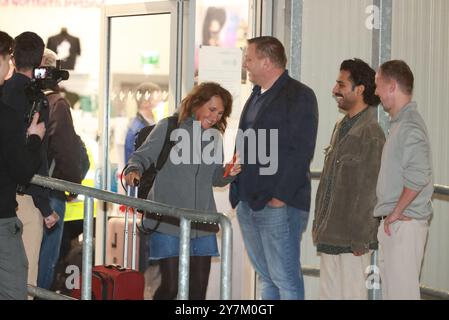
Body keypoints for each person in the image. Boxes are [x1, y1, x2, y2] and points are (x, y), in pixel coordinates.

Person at [124, 82, 240, 300]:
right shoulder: (169, 127)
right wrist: (133, 170)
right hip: (168, 221)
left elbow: (215, 177)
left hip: (202, 223)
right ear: (197, 103)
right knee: (170, 288)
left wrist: (229, 171)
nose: (215, 117)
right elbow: (141, 157)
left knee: (198, 291)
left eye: (220, 113)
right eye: (211, 109)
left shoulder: (215, 137)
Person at [230, 36, 319, 300]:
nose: (245, 63)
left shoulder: (299, 96)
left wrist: (279, 198)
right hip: (248, 202)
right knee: (266, 278)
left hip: (279, 205)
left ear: (267, 62)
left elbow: (300, 151)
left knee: (285, 280)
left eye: (249, 58)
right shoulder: (255, 95)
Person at [312, 58, 385, 299]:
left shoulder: (371, 132)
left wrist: (360, 239)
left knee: (352, 295)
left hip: (352, 242)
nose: (335, 91)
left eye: (341, 85)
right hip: (331, 235)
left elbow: (369, 191)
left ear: (360, 89)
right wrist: (319, 226)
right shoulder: (342, 126)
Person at [1, 31, 59, 292]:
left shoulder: (5, 93)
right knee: (24, 282)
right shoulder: (36, 100)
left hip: (9, 195)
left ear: (13, 59)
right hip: (19, 200)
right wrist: (45, 206)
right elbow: (31, 162)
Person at [374, 60, 433, 300]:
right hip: (397, 225)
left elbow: (419, 175)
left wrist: (397, 211)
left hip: (404, 226)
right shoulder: (400, 124)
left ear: (392, 87)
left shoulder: (409, 125)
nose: (376, 92)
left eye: (378, 86)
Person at [37, 48, 82, 290]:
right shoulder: (57, 103)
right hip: (51, 191)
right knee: (45, 258)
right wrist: (72, 185)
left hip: (24, 190)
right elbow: (66, 150)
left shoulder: (20, 97)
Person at [124, 82, 162, 163]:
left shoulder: (149, 124)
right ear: (145, 102)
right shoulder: (137, 129)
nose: (160, 104)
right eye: (156, 100)